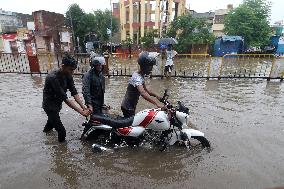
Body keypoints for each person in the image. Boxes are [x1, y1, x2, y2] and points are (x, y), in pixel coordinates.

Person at [42, 53, 91, 142]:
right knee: (62, 132)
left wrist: (83, 107)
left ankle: (45, 138)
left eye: (73, 70)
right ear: (63, 66)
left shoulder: (68, 75)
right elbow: (65, 98)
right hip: (50, 106)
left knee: (50, 125)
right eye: (70, 69)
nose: (72, 72)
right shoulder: (53, 78)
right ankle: (61, 152)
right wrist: (81, 112)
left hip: (57, 105)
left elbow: (74, 92)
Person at [121, 51, 163, 118]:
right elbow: (143, 93)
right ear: (145, 66)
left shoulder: (141, 76)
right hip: (128, 107)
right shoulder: (137, 78)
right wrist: (157, 104)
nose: (151, 68)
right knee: (132, 125)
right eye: (150, 66)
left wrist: (157, 96)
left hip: (131, 106)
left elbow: (146, 90)